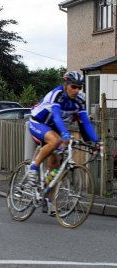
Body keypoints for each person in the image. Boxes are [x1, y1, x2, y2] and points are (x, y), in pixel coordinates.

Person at [26, 71, 100, 213]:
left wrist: (96, 141)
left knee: (56, 166)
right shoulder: (58, 94)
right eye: (73, 86)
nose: (77, 90)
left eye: (80, 87)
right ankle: (33, 168)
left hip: (55, 128)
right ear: (66, 85)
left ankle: (47, 198)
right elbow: (56, 117)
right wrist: (65, 134)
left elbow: (86, 123)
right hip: (39, 122)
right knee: (55, 141)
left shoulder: (80, 100)